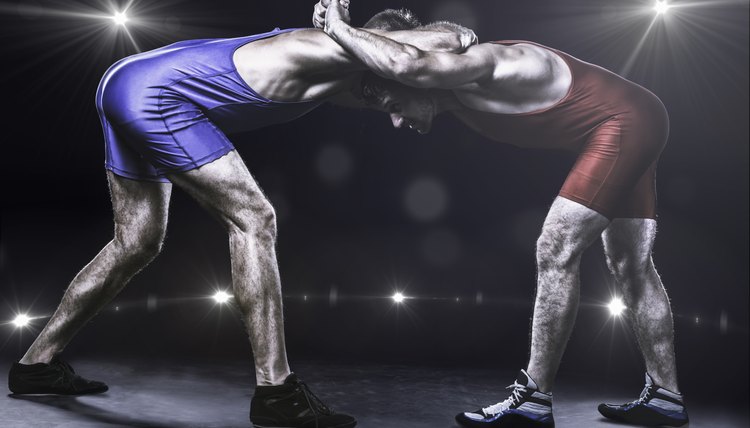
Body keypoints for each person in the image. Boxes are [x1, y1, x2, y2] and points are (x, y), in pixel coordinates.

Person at [6, 7, 476, 428]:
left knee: (137, 242)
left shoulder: (345, 78)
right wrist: (463, 38)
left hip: (125, 82)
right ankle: (277, 392)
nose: (399, 119)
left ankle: (36, 365)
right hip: (155, 97)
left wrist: (429, 99)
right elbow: (446, 39)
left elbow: (402, 82)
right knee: (256, 219)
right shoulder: (338, 49)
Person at [318, 1, 689, 427]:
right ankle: (666, 397)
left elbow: (405, 60)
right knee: (631, 265)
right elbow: (406, 62)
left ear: (411, 77)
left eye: (393, 105)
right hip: (637, 118)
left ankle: (533, 399)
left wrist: (336, 27)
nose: (397, 122)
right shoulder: (455, 94)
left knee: (555, 247)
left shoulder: (485, 64)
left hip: (624, 123)